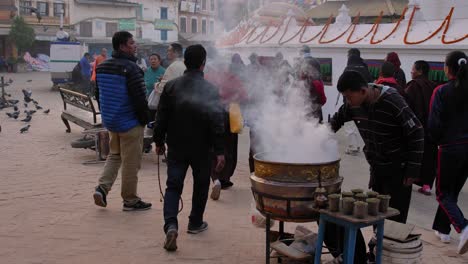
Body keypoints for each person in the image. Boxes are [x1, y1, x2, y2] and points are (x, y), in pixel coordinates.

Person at [154, 44, 225, 252]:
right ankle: (195, 223)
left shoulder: (171, 86)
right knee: (201, 184)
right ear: (203, 64)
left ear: (185, 61)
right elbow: (217, 121)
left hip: (176, 145)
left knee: (173, 186)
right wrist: (220, 151)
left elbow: (161, 117)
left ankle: (171, 225)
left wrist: (158, 141)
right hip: (202, 148)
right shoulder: (211, 89)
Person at [331, 70, 424, 224]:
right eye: (344, 97)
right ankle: (377, 245)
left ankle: (390, 246)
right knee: (377, 214)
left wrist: (413, 169)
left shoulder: (392, 101)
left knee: (395, 218)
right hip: (377, 167)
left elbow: (417, 132)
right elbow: (335, 122)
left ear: (362, 90)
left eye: (348, 97)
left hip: (398, 169)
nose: (347, 101)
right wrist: (316, 137)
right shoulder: (352, 104)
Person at [92, 31, 152, 211]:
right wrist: (144, 121)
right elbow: (140, 99)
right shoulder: (132, 69)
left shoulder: (102, 67)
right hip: (130, 123)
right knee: (131, 163)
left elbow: (98, 94)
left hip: (112, 122)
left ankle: (102, 188)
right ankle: (130, 200)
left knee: (115, 155)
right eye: (132, 43)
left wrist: (107, 114)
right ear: (122, 46)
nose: (135, 45)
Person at [428, 51, 468, 254]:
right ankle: (442, 229)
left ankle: (464, 227)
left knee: (443, 194)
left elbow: (434, 125)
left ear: (449, 68)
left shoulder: (442, 91)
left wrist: (436, 142)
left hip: (450, 148)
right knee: (452, 193)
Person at [205, 53, 248, 199]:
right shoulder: (232, 78)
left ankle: (215, 178)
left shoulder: (208, 77)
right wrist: (231, 100)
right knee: (230, 147)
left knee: (214, 147)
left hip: (212, 116)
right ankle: (225, 178)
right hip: (230, 115)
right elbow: (244, 95)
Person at [405, 60, 437, 196]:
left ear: (419, 71)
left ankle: (410, 179)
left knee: (414, 154)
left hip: (415, 128)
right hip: (431, 128)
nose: (411, 71)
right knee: (429, 156)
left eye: (413, 69)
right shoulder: (434, 86)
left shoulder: (412, 86)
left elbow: (406, 107)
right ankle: (427, 185)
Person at [342, 48, 373, 155]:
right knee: (364, 123)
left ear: (350, 56)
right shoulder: (364, 67)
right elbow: (370, 83)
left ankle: (353, 146)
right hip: (364, 100)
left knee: (350, 123)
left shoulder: (348, 68)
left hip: (351, 101)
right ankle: (367, 145)